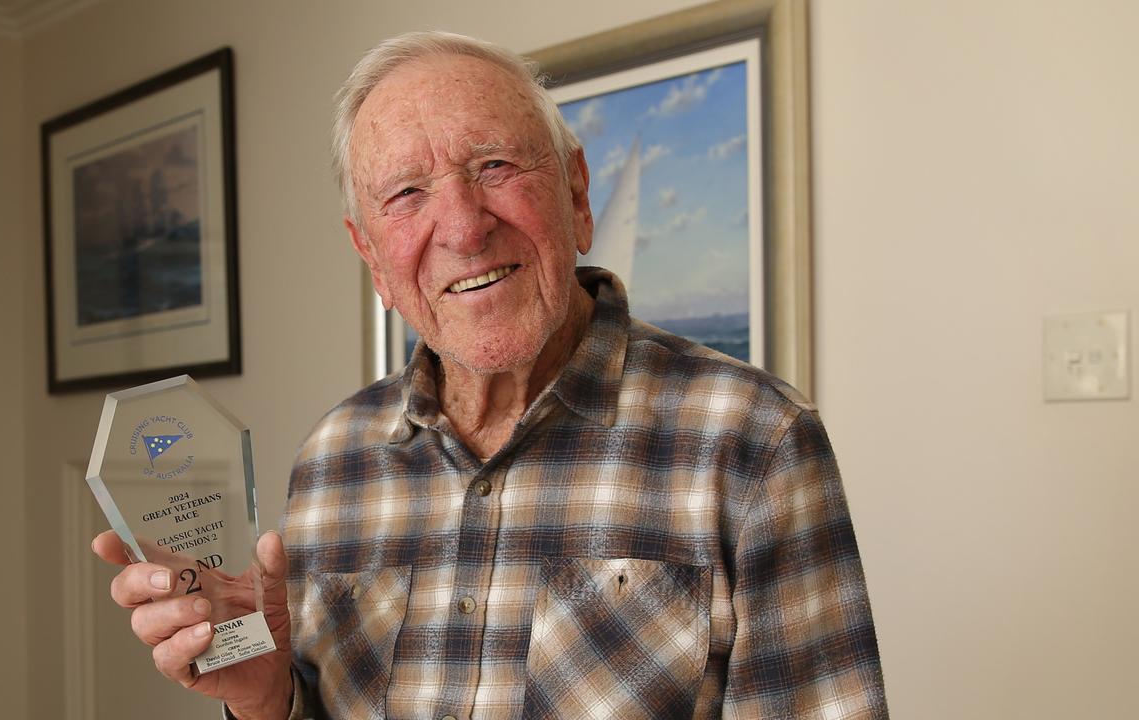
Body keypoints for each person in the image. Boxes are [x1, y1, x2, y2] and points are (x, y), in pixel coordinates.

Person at [94, 31, 889, 720]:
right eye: (407, 194)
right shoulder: (332, 459)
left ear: (577, 194)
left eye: (496, 165)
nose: (466, 228)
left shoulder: (754, 442)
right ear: (371, 256)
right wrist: (267, 701)